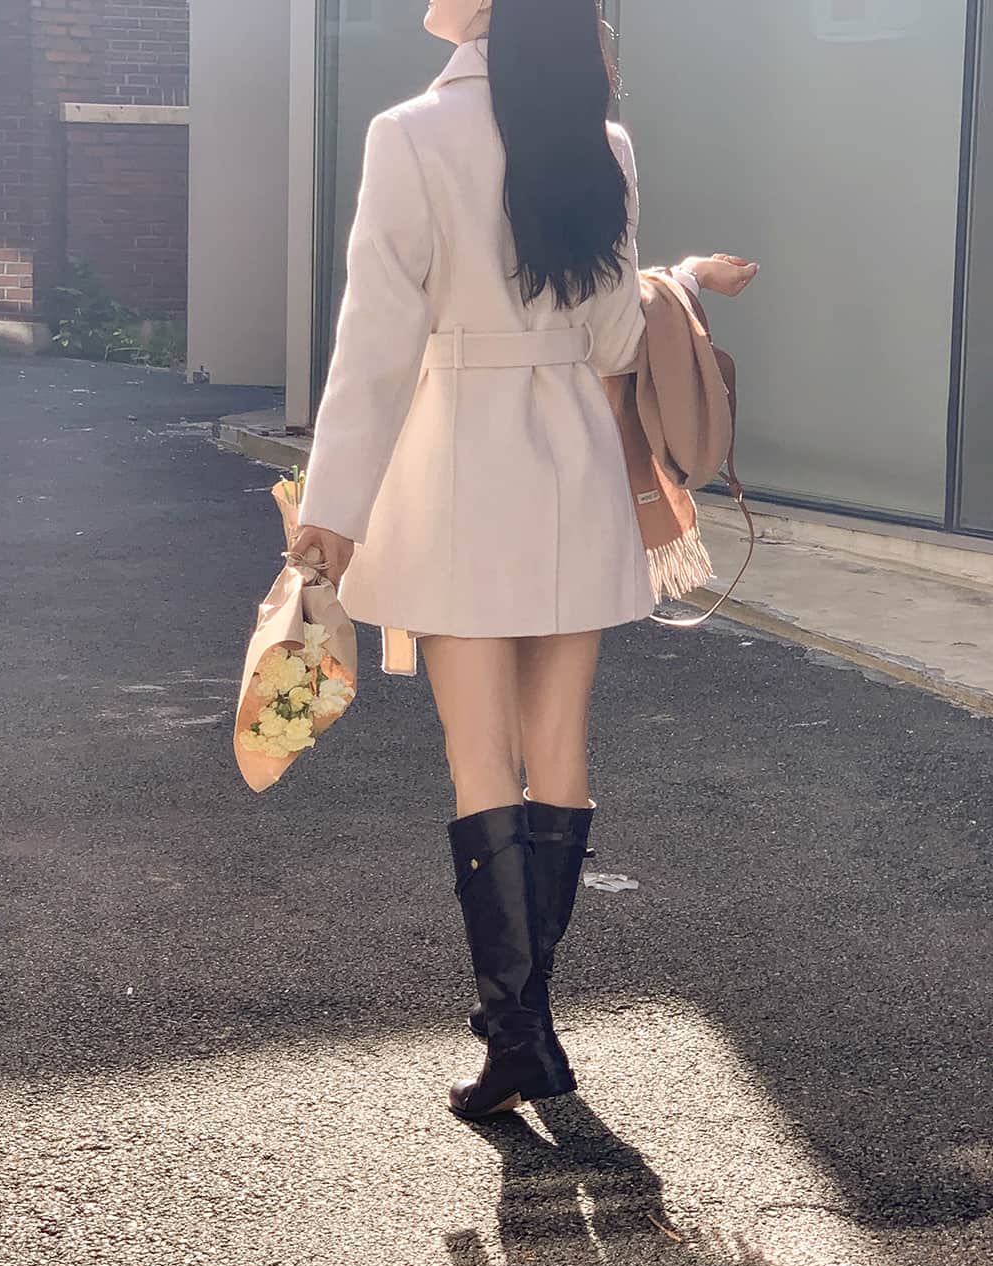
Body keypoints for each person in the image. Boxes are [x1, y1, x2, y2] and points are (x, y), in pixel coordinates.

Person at [292, 0, 758, 1122]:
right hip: (571, 467)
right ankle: (525, 1028)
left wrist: (332, 510)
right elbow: (614, 337)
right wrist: (683, 279)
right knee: (559, 749)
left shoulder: (410, 134)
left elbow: (374, 339)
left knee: (479, 760)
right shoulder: (602, 141)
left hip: (457, 469)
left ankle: (519, 1033)